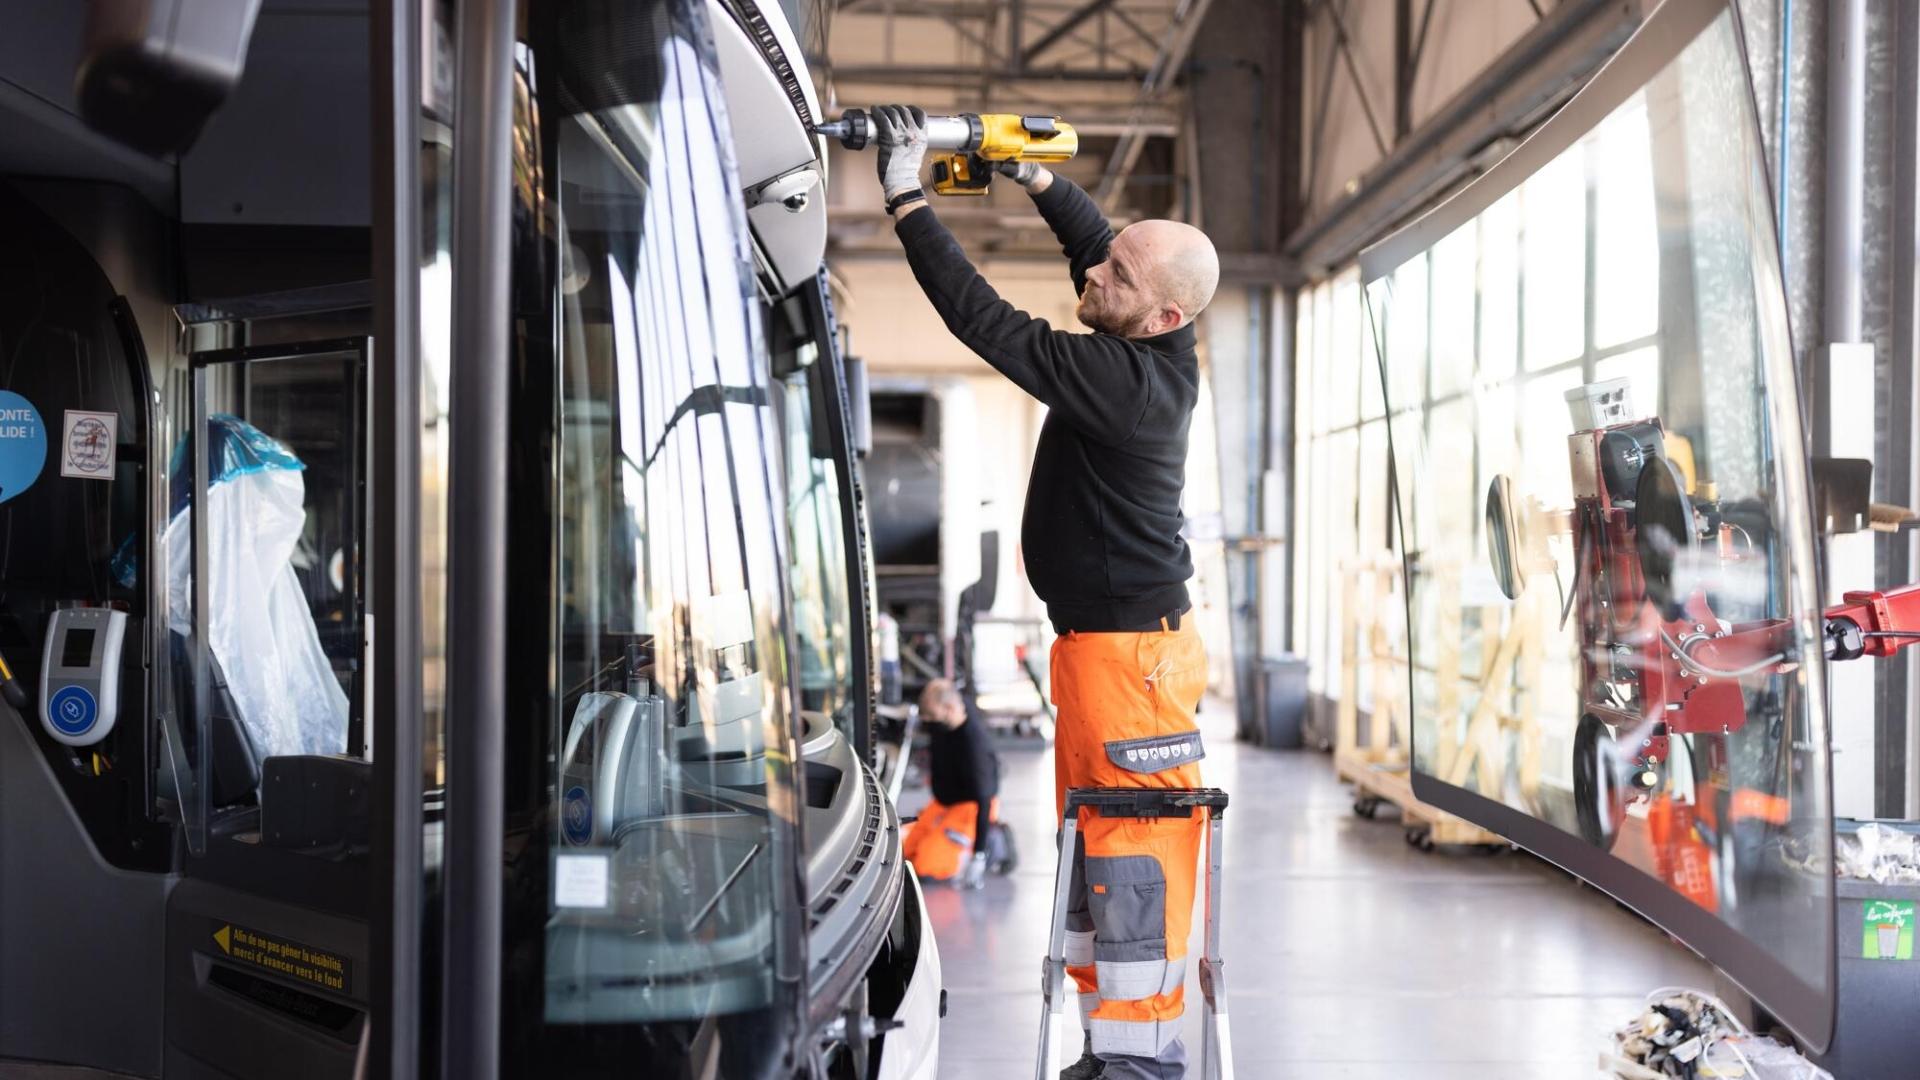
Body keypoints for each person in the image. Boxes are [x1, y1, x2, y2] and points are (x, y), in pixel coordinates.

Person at [871, 106, 1220, 1080]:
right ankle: (1107, 1045)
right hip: (1103, 652)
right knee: (1090, 842)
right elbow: (1100, 245)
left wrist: (908, 196)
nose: (1092, 275)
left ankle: (1143, 1058)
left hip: (1131, 663)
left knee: (1133, 854)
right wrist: (1031, 179)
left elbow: (984, 322)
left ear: (1162, 318)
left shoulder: (1126, 382)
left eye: (1117, 278)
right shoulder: (1147, 330)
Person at [901, 678, 1013, 887]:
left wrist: (977, 856)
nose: (928, 721)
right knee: (905, 856)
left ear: (950, 708)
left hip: (971, 808)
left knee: (925, 867)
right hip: (943, 803)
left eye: (932, 716)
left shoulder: (974, 745)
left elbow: (984, 800)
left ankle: (994, 843)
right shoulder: (941, 721)